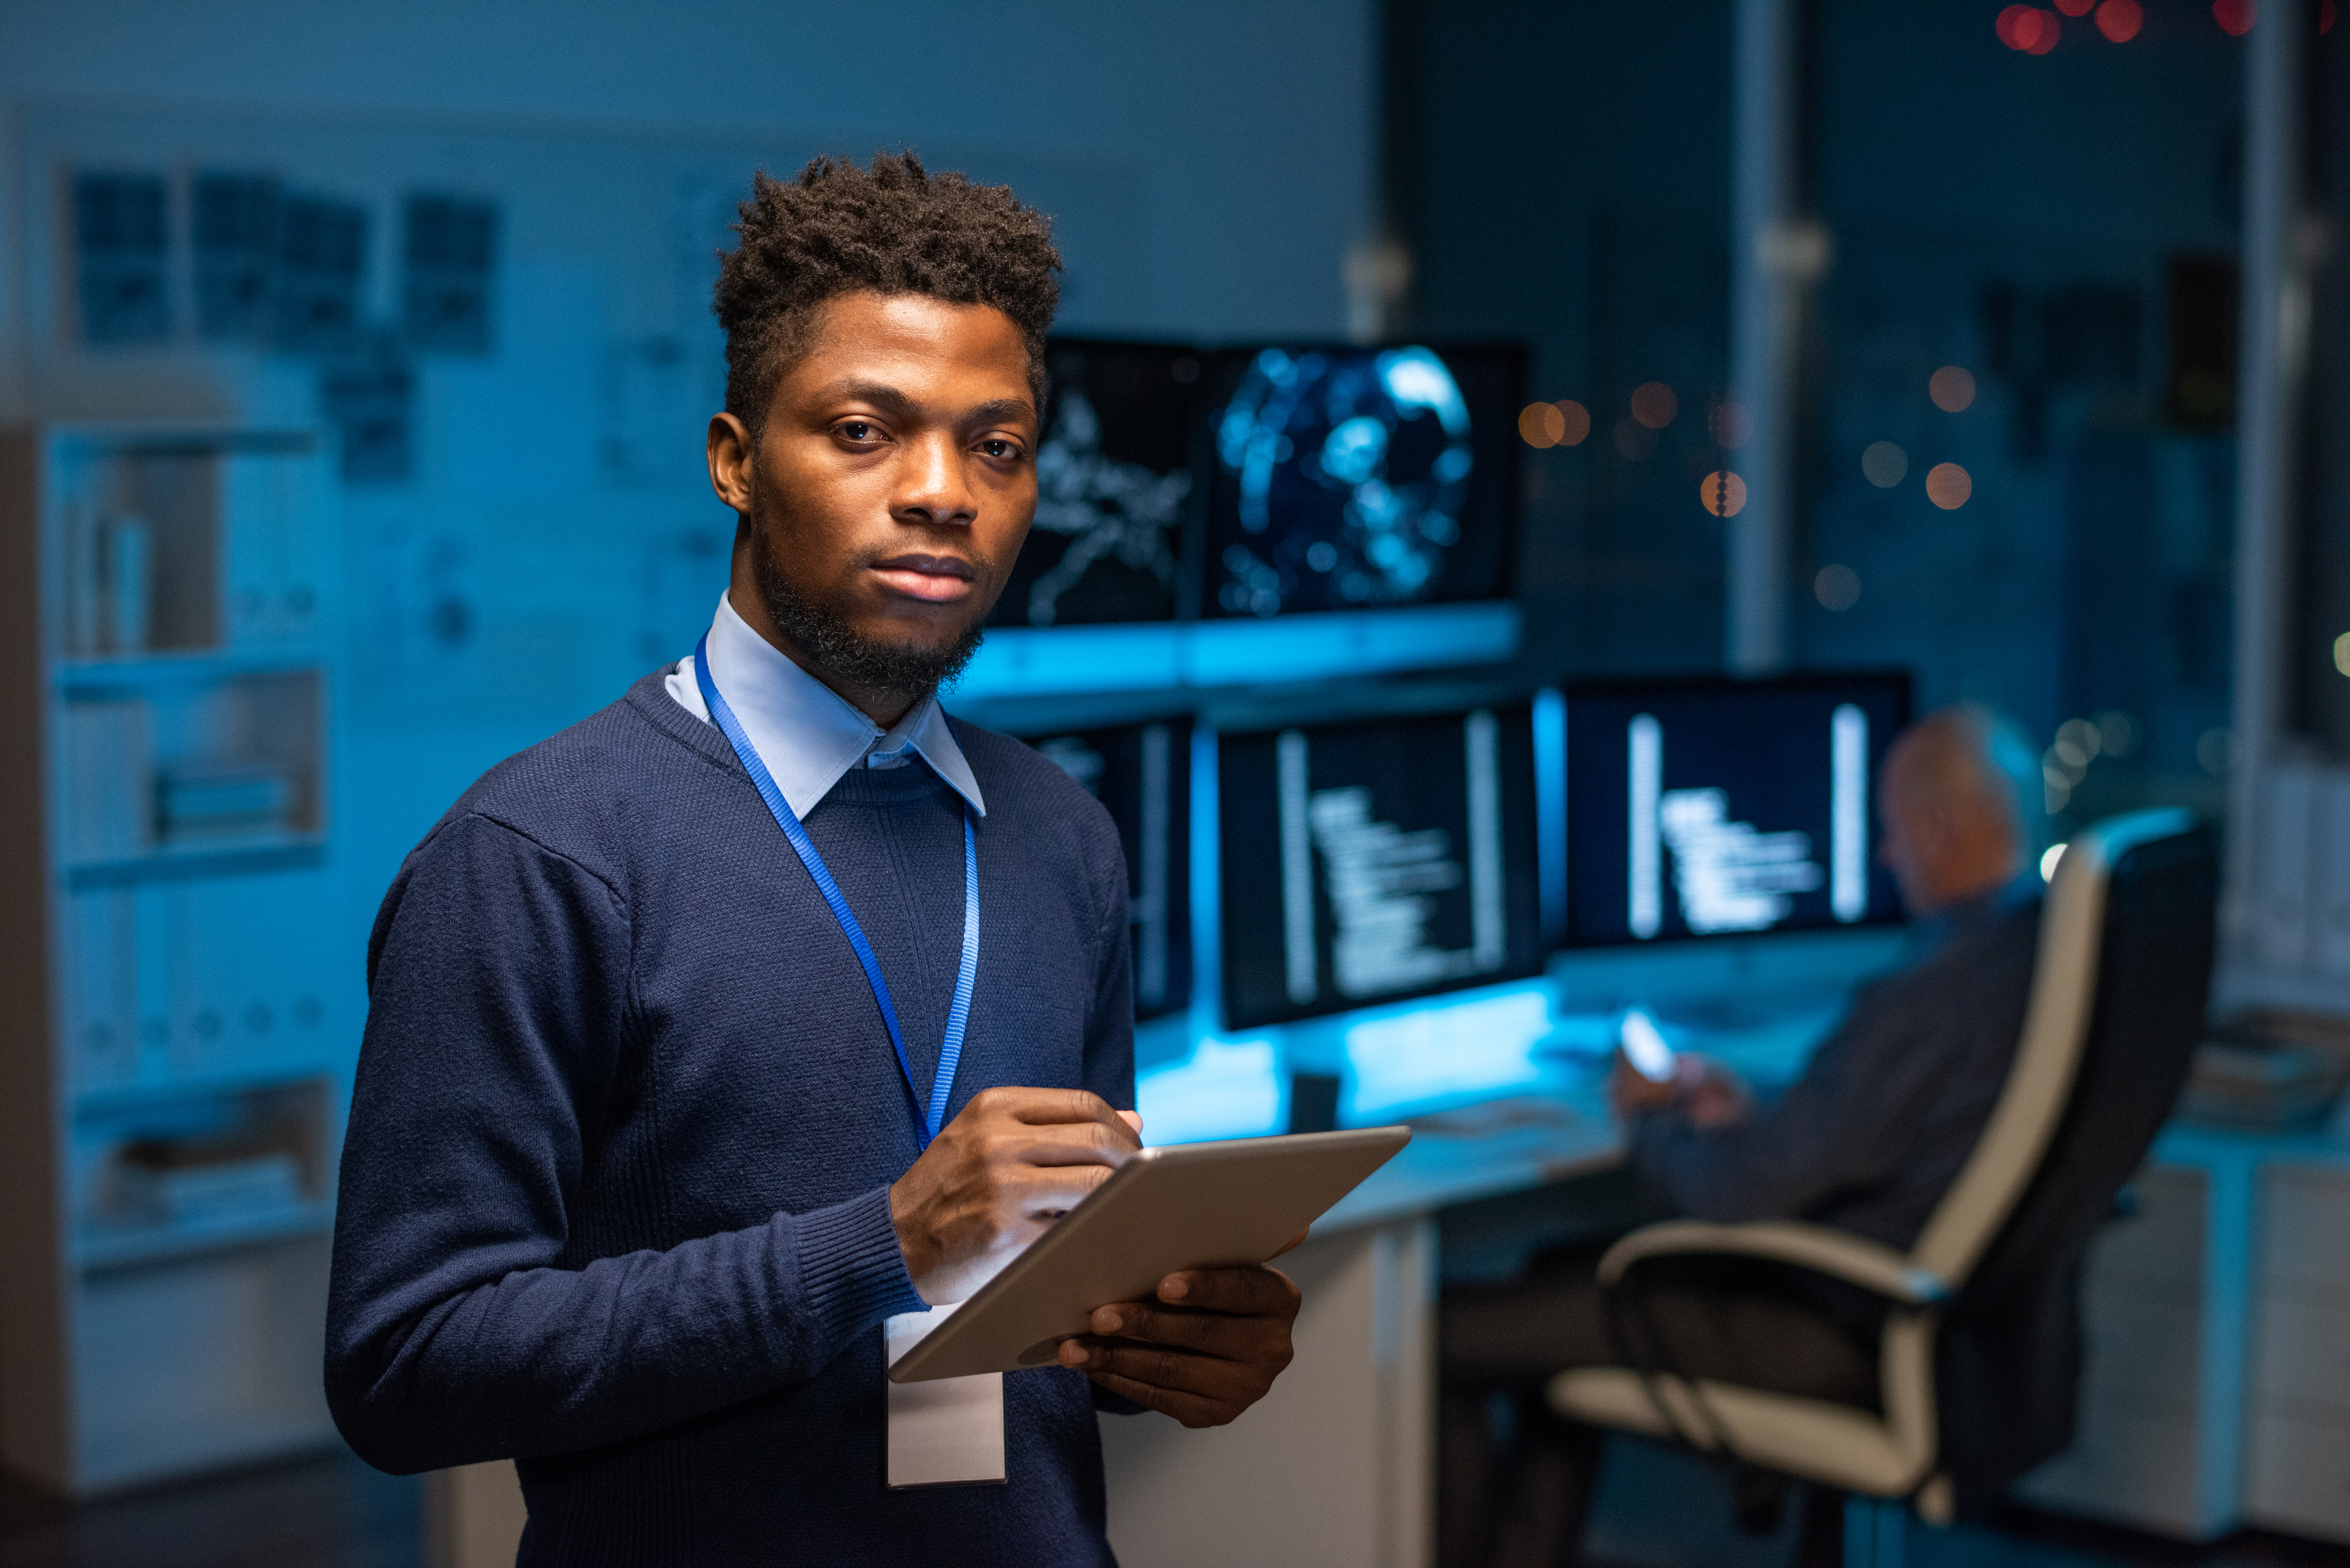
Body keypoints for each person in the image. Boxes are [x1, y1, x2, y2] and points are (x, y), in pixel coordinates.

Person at [325, 154, 1300, 1566]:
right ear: (733, 460)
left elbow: (1057, 1282)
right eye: (863, 430)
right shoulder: (537, 855)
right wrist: (884, 1244)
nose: (940, 492)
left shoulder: (1061, 833)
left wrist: (1183, 1342)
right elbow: (408, 1364)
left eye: (997, 446)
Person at [1438, 708, 2043, 1567]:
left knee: (1436, 1336)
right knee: (1552, 1280)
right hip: (1950, 1333)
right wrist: (1760, 1106)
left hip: (1833, 1327)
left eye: (1890, 832)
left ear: (1941, 827)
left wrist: (1646, 1114)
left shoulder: (1928, 996)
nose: (1883, 857)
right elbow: (1868, 1130)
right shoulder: (2030, 956)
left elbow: (1737, 1195)